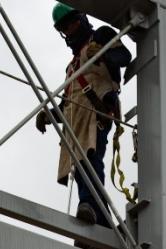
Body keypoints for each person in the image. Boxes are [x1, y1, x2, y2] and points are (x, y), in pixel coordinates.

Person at [36, 2, 132, 228]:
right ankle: (103, 225)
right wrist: (50, 115)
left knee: (89, 158)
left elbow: (124, 56)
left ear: (83, 18)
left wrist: (103, 53)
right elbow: (67, 104)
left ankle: (88, 205)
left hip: (97, 112)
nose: (70, 30)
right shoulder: (71, 67)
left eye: (73, 23)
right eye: (65, 28)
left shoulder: (100, 36)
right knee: (79, 165)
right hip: (76, 119)